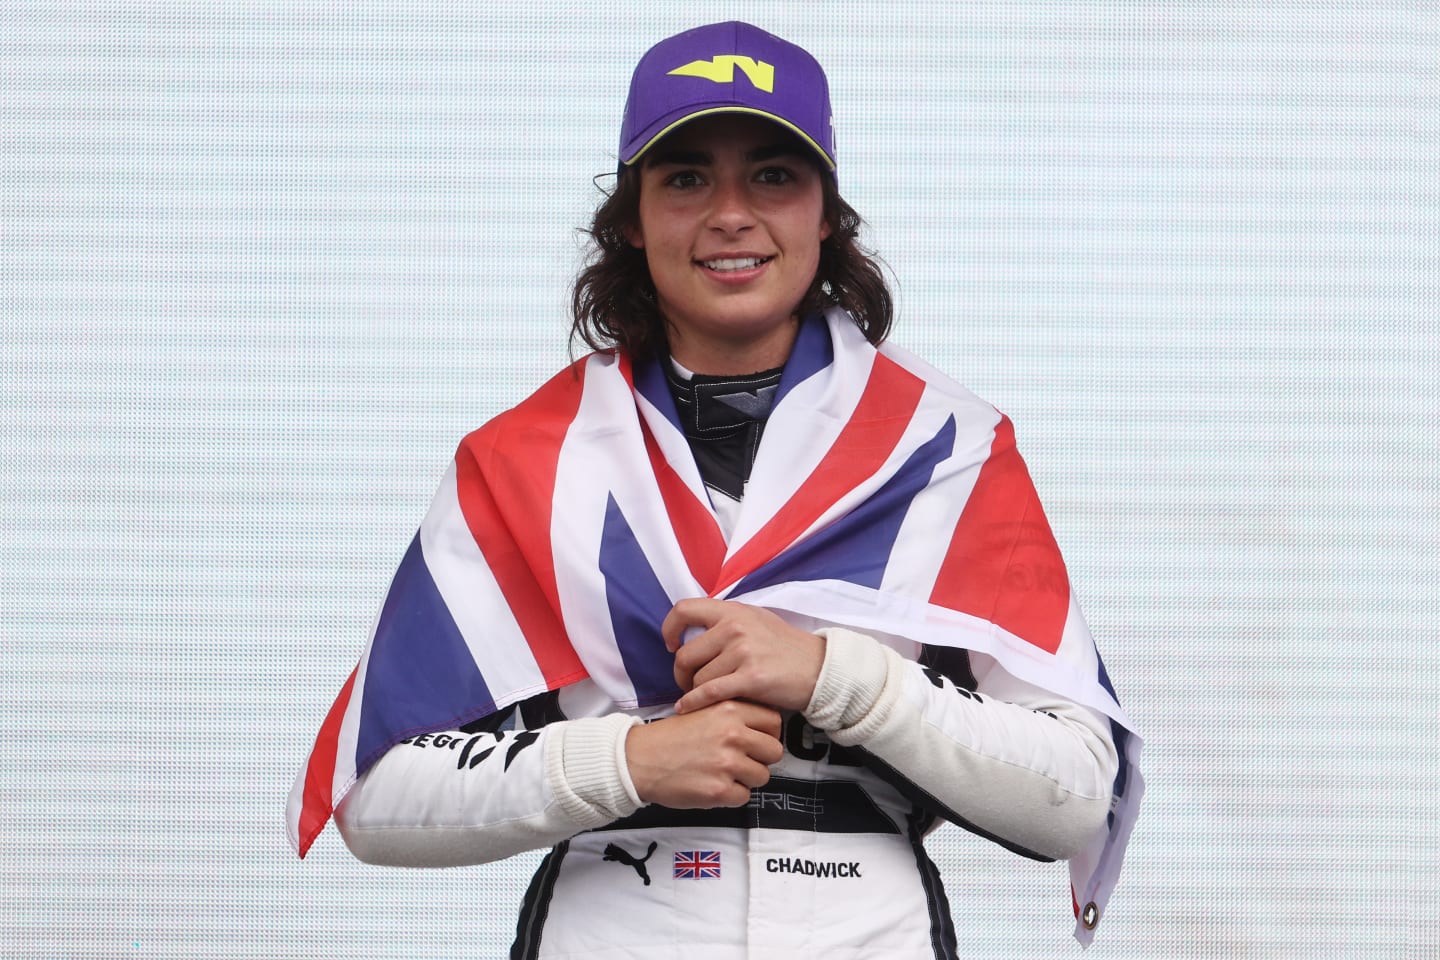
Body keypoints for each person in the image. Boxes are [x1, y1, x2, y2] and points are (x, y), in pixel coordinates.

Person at [287, 21, 1143, 959]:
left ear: (827, 213)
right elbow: (374, 793)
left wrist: (837, 681)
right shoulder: (524, 458)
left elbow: (1075, 791)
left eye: (773, 175)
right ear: (630, 216)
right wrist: (623, 761)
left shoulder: (945, 447)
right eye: (686, 177)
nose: (731, 214)